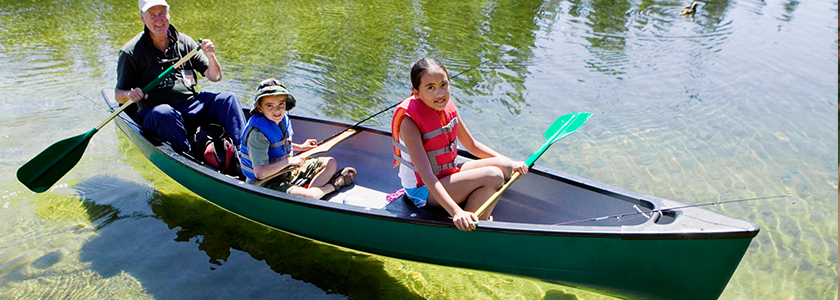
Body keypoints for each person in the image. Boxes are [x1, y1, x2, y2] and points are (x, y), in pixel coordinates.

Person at [391, 57, 529, 231]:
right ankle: (471, 221)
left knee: (506, 166)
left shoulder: (446, 105)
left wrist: (512, 163)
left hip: (447, 173)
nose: (440, 93)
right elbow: (426, 175)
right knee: (493, 176)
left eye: (443, 84)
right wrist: (456, 212)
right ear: (416, 92)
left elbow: (471, 145)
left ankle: (476, 212)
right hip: (423, 191)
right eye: (430, 88)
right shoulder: (409, 122)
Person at [115, 0, 245, 156]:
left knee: (228, 99)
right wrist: (130, 95)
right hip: (156, 114)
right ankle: (189, 156)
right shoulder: (130, 52)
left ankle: (245, 152)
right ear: (143, 18)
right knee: (165, 113)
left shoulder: (184, 41)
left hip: (190, 105)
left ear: (168, 14)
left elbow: (215, 77)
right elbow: (118, 95)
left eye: (162, 13)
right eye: (152, 15)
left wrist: (210, 55)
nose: (159, 19)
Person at [239, 78, 356, 199]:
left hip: (287, 170)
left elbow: (278, 145)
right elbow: (260, 173)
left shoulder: (281, 120)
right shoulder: (257, 134)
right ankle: (334, 185)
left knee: (331, 163)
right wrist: (290, 161)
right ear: (260, 108)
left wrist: (300, 147)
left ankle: (307, 195)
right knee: (311, 196)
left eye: (281, 104)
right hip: (266, 182)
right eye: (270, 106)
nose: (277, 110)